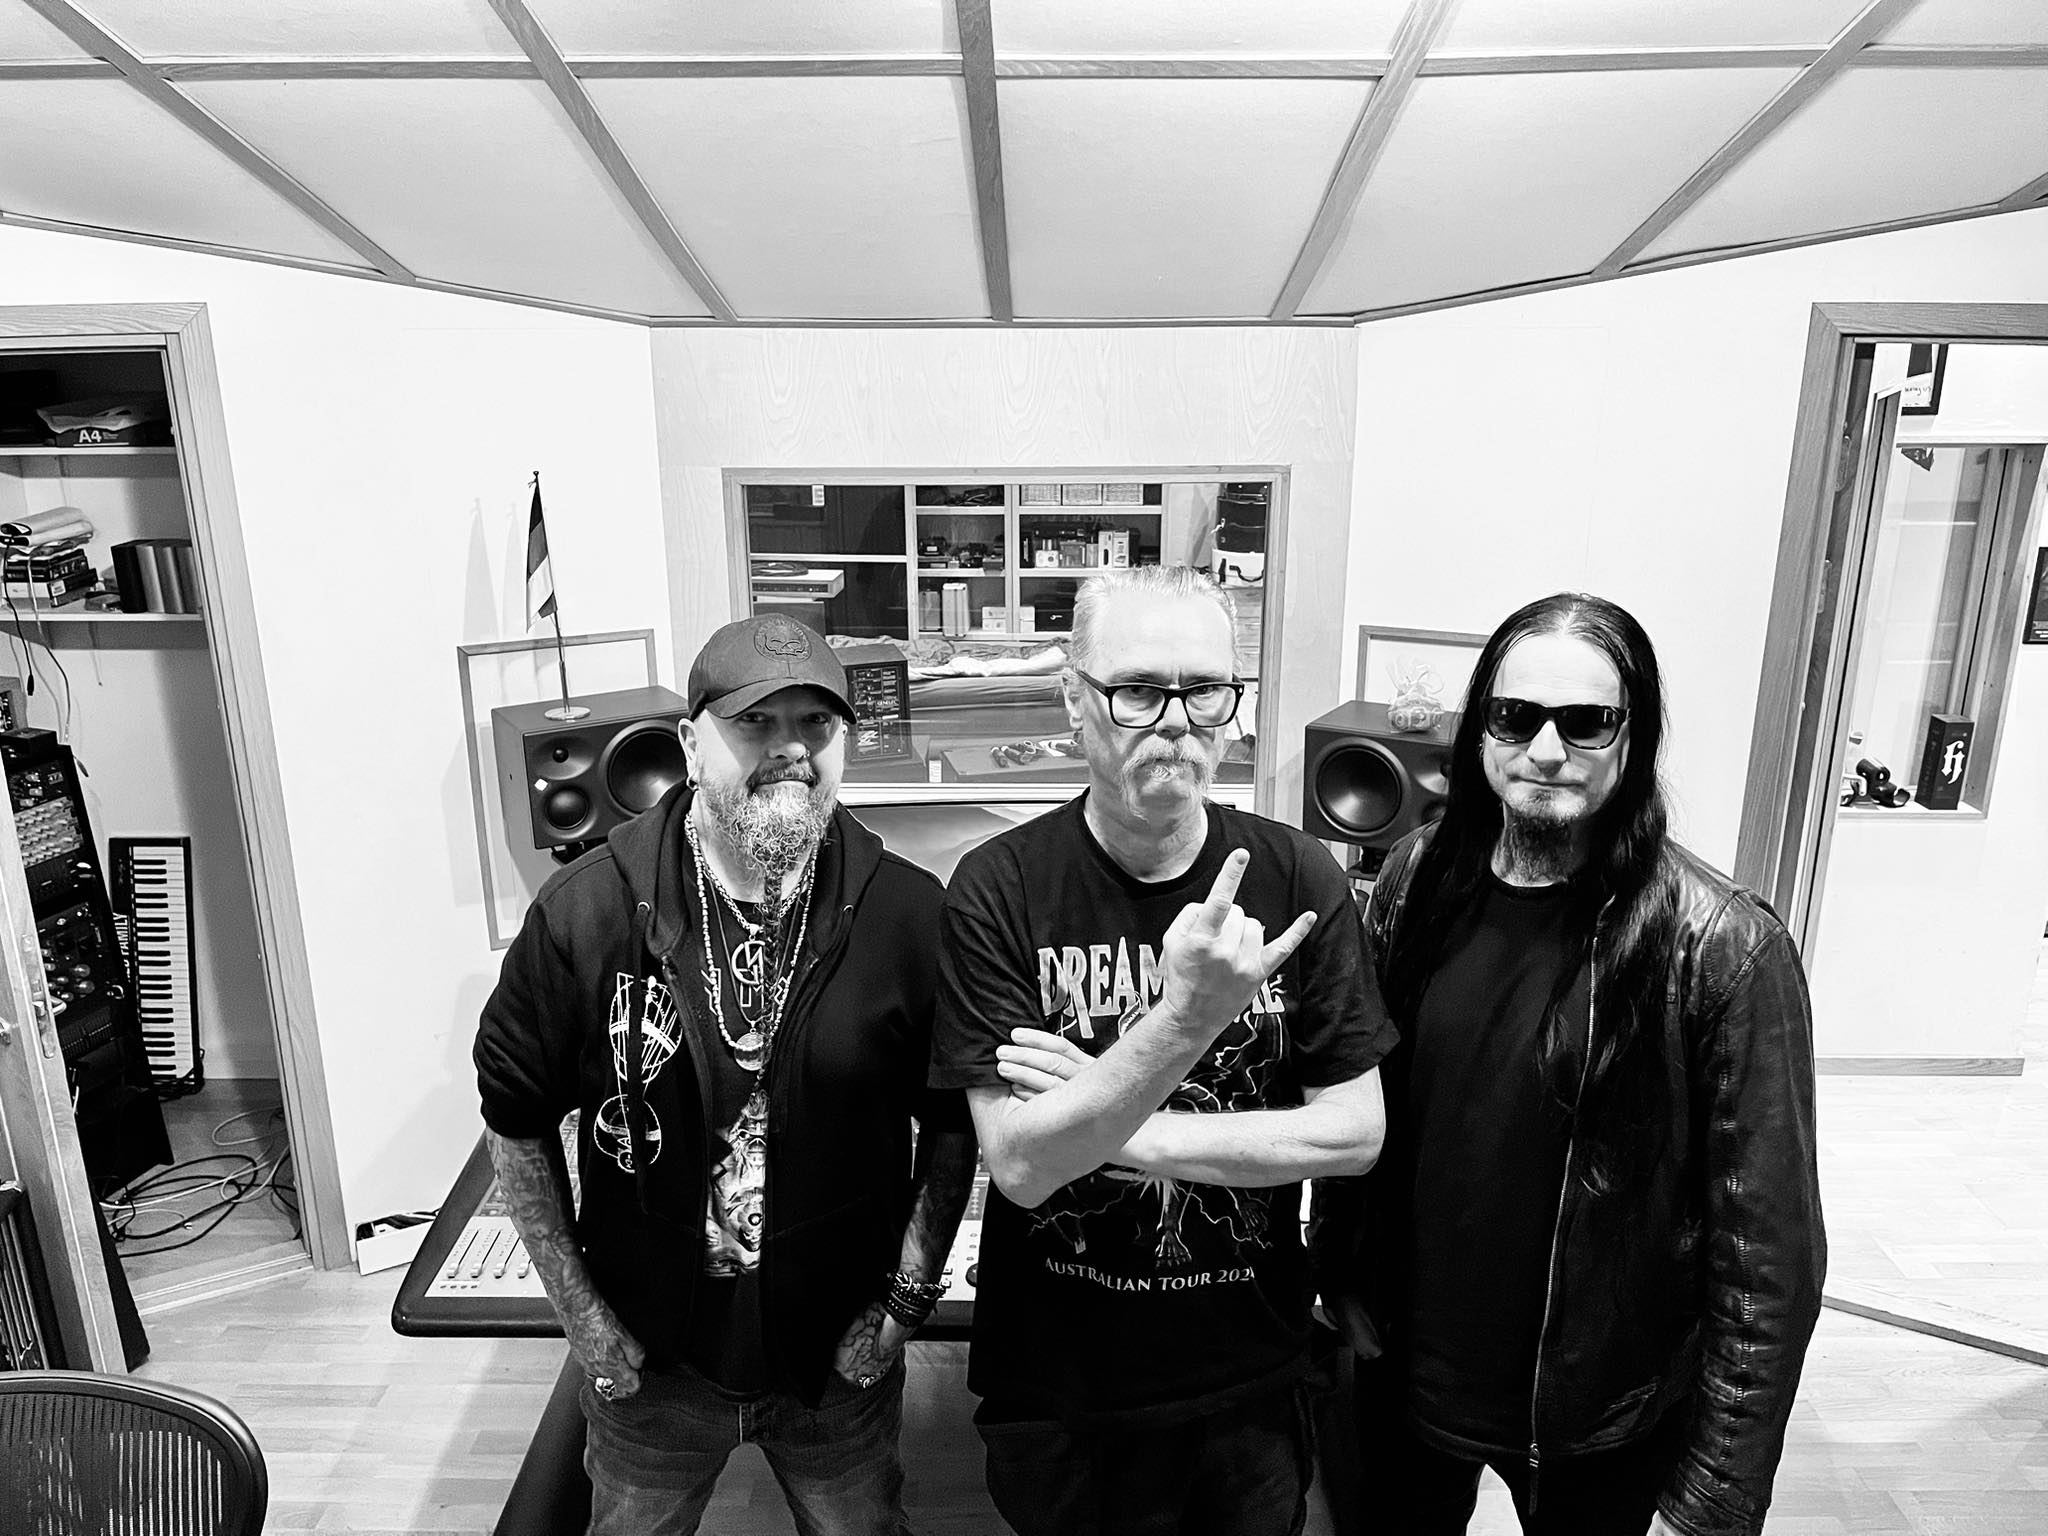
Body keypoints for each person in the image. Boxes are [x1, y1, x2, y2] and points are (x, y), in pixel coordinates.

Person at [1310, 592, 1825, 1536]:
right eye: (1516, 716)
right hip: (1407, 1372)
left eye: (1586, 722)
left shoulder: (1723, 947)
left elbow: (1770, 1261)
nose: (1546, 750)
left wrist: (1714, 1499)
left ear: (1634, 736)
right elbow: (1364, 1093)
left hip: (1603, 1416)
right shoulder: (1416, 876)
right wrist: (1339, 1265)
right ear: (1482, 729)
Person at [475, 612, 977, 1536]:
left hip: (836, 1361)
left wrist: (905, 1298)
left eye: (816, 724)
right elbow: (515, 1118)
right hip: (652, 1368)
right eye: (755, 722)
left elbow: (953, 1122)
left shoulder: (908, 914)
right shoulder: (584, 913)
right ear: (689, 743)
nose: (791, 749)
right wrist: (581, 1318)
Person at [930, 563, 1397, 1536]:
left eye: (1205, 690)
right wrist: (1186, 1020)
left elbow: (1353, 1135)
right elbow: (1020, 1167)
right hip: (1062, 1386)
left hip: (1247, 1377)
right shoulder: (997, 889)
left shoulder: (1296, 876)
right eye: (1139, 689)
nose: (1177, 721)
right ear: (1073, 700)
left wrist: (1118, 1128)